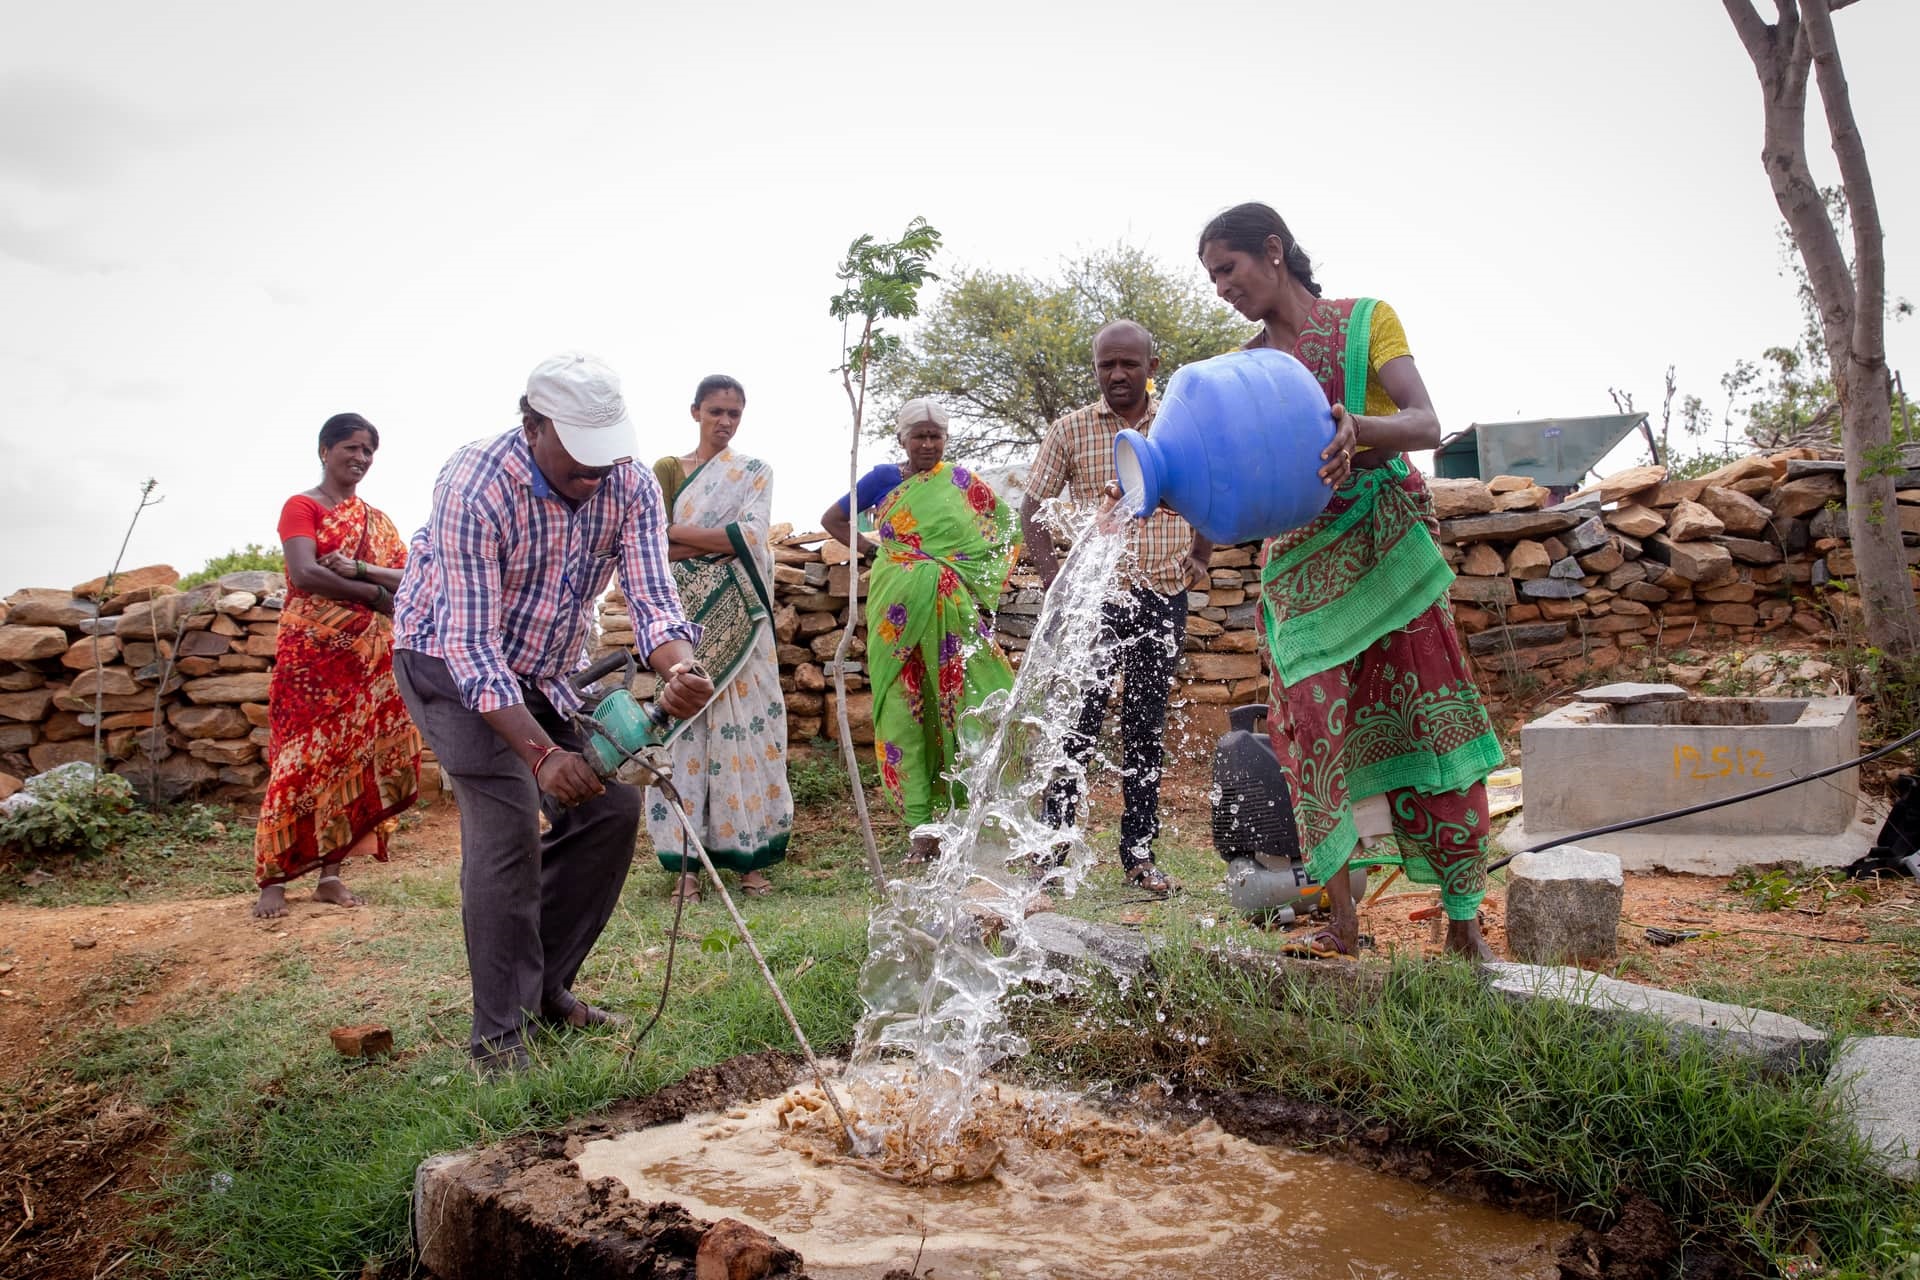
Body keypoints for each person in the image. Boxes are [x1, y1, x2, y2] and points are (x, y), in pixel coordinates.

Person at [391, 351, 714, 1074]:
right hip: (445, 660)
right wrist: (542, 755)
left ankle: (544, 992)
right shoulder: (476, 484)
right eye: (577, 460)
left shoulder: (628, 483)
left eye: (604, 458)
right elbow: (471, 647)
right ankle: (499, 1038)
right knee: (506, 823)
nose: (593, 475)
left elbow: (654, 598)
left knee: (609, 814)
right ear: (532, 425)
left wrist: (680, 667)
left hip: (545, 667)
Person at [1197, 202, 1502, 960]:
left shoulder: (1366, 322)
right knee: (1307, 735)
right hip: (1299, 568)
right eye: (1211, 278)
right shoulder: (1250, 368)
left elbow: (1427, 424)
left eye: (1227, 269)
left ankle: (1464, 923)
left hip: (1385, 549)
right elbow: (1229, 471)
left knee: (1432, 721)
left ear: (1273, 251)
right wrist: (1179, 519)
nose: (1221, 288)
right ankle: (1342, 923)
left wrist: (1358, 430)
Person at [1022, 322, 1212, 896]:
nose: (1118, 375)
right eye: (1107, 365)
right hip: (1094, 603)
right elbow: (1032, 508)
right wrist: (1057, 578)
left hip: (1161, 597)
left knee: (1145, 729)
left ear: (1153, 364)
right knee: (1075, 726)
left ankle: (1139, 857)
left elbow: (1209, 487)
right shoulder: (1072, 429)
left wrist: (1201, 551)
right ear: (1096, 366)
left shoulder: (1181, 425)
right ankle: (1052, 852)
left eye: (1129, 364)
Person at [823, 398, 1018, 862]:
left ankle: (976, 817)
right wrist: (877, 552)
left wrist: (961, 576)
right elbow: (832, 519)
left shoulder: (961, 483)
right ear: (902, 439)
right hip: (896, 611)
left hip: (952, 612)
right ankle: (921, 830)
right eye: (919, 436)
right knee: (903, 708)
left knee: (971, 700)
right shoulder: (882, 480)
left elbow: (1004, 533)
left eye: (936, 436)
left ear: (945, 440)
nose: (928, 444)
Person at [252, 413, 422, 919]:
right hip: (310, 661)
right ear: (324, 450)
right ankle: (273, 879)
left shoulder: (377, 520)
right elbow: (305, 573)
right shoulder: (301, 506)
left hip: (367, 666)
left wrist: (366, 577)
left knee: (349, 765)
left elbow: (411, 574)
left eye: (369, 451)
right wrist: (373, 593)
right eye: (352, 447)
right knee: (296, 763)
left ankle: (331, 876)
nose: (361, 458)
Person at [647, 375, 792, 905]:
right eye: (715, 412)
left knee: (746, 736)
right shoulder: (665, 473)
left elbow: (751, 539)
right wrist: (713, 542)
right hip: (680, 624)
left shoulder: (754, 472)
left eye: (734, 413)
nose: (725, 422)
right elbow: (650, 548)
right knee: (684, 738)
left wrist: (682, 537)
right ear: (695, 413)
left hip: (742, 622)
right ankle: (686, 867)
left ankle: (749, 860)